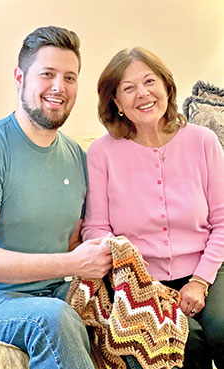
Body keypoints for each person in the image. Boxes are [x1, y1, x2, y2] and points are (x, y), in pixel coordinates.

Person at [0, 25, 113, 369]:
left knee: (131, 314)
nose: (59, 88)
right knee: (53, 318)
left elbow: (73, 241)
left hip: (55, 292)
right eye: (47, 74)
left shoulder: (79, 156)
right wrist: (71, 264)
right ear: (20, 77)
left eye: (70, 77)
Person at [81, 47, 224, 369]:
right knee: (187, 344)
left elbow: (223, 221)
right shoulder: (102, 153)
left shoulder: (203, 141)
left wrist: (200, 281)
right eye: (128, 88)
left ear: (166, 87)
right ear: (115, 101)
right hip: (140, 280)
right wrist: (139, 283)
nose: (142, 94)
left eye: (149, 81)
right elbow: (96, 229)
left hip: (208, 269)